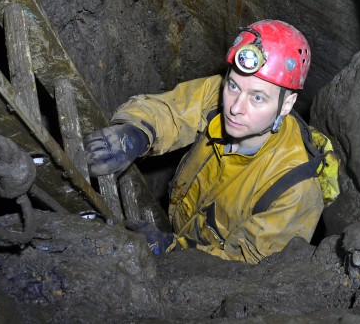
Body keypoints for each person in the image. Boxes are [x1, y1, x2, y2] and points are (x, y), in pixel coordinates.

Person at [83, 20, 335, 264]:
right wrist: (136, 133)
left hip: (199, 263)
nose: (235, 107)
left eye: (257, 98)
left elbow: (248, 265)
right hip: (180, 220)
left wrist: (169, 251)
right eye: (233, 86)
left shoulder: (295, 192)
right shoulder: (218, 95)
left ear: (286, 104)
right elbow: (173, 110)